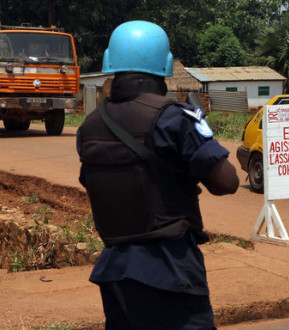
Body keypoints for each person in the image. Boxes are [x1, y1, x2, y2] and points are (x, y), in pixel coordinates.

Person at [76, 21, 239, 329]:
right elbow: (226, 183)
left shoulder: (90, 126)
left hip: (115, 271)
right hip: (169, 268)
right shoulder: (174, 118)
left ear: (112, 64)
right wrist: (201, 132)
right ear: (165, 66)